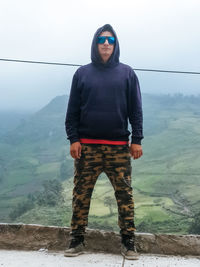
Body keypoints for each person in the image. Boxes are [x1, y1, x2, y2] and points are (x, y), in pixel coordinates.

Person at [64, 24, 143, 260]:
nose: (106, 43)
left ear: (115, 44)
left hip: (119, 148)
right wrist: (73, 139)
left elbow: (136, 110)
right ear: (95, 43)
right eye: (101, 39)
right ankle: (77, 240)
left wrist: (136, 139)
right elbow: (72, 111)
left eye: (110, 40)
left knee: (125, 196)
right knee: (81, 195)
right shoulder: (82, 74)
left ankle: (129, 242)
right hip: (86, 148)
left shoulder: (127, 73)